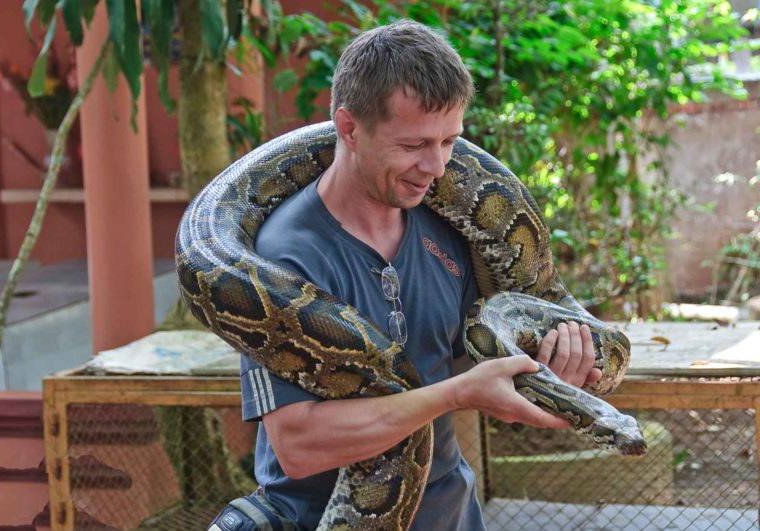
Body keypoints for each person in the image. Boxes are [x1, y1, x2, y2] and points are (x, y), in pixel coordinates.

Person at [218, 19, 601, 531]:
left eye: (449, 142)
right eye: (413, 145)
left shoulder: (446, 228)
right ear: (349, 128)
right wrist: (459, 394)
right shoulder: (282, 261)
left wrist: (552, 364)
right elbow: (299, 446)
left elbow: (474, 356)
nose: (438, 166)